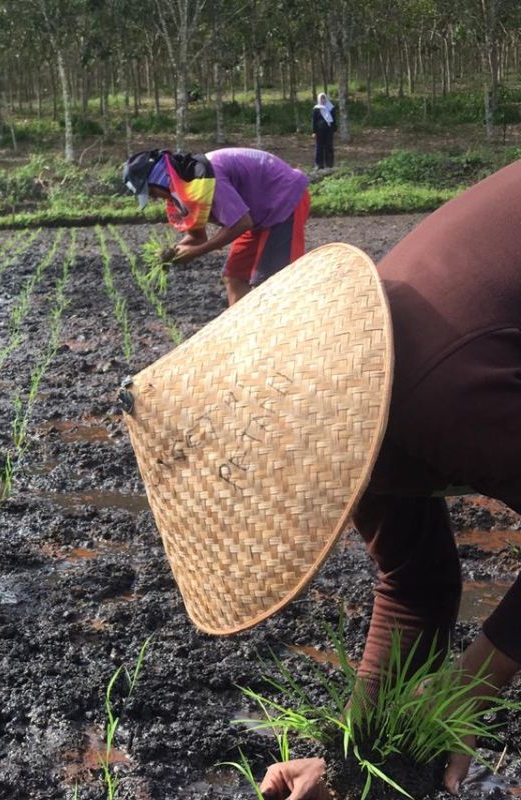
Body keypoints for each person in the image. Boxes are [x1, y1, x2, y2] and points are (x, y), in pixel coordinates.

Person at [258, 160, 521, 797]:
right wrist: (353, 761)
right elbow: (414, 583)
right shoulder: (345, 413)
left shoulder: (436, 394)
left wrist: (464, 696)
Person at [123, 147, 311, 306]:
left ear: (160, 179)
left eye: (152, 191)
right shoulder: (182, 189)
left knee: (273, 282)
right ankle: (242, 334)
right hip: (258, 215)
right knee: (234, 277)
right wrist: (171, 255)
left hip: (283, 200)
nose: (155, 198)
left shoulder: (209, 176)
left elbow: (241, 223)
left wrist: (198, 252)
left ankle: (283, 338)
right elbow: (197, 238)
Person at [312, 92, 336, 170]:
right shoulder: (316, 109)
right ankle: (319, 165)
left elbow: (334, 119)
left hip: (329, 130)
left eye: (324, 98)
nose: (323, 100)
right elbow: (314, 121)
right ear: (319, 99)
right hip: (319, 131)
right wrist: (314, 131)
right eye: (321, 98)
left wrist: (334, 129)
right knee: (319, 147)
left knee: (329, 146)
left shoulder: (330, 108)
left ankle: (329, 164)